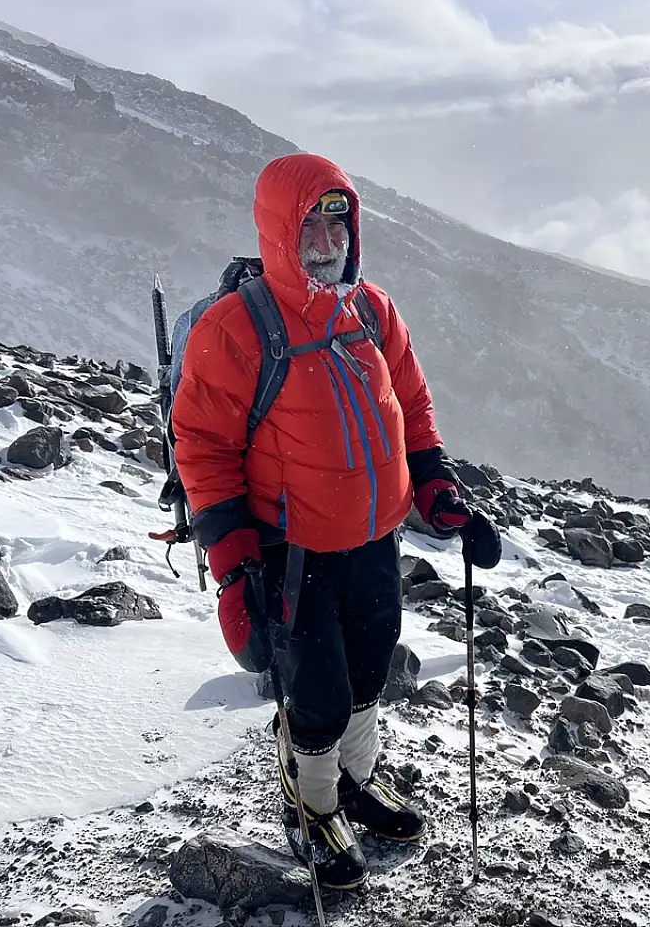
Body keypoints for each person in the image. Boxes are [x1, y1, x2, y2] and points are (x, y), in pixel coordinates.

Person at [169, 151, 501, 890]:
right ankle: (312, 802)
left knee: (370, 665)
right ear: (279, 229)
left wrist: (439, 493)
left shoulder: (373, 311)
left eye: (338, 217)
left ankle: (356, 781)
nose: (327, 234)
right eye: (310, 220)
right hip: (290, 549)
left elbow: (411, 410)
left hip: (374, 533)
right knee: (314, 691)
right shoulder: (235, 329)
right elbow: (204, 447)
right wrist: (233, 566)